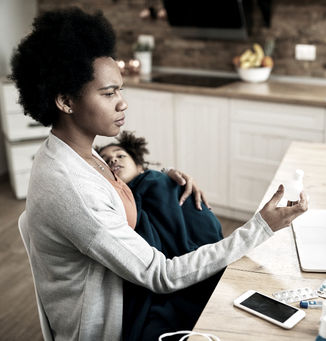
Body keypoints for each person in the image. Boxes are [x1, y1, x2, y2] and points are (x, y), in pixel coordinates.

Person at [10, 7, 308, 341]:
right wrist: (260, 227)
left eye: (120, 90)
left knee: (233, 284)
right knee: (239, 315)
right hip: (119, 319)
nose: (122, 103)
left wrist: (165, 175)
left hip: (129, 288)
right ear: (65, 101)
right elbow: (160, 274)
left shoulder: (77, 150)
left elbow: (111, 194)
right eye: (109, 93)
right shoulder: (68, 187)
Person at [96, 131, 225, 340]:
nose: (113, 159)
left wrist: (166, 173)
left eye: (120, 155)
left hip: (194, 263)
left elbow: (205, 229)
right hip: (155, 275)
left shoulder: (160, 181)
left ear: (139, 166)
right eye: (106, 160)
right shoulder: (109, 202)